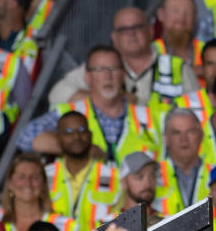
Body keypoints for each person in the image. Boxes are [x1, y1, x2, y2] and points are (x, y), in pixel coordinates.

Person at [27, 45, 161, 164]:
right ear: (87, 78)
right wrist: (76, 147)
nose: (107, 76)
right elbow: (26, 136)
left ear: (123, 74)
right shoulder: (71, 111)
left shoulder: (147, 116)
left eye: (113, 69)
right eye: (100, 69)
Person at [48, 7, 200, 107]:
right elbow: (57, 94)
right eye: (123, 30)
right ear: (114, 38)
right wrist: (104, 98)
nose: (131, 34)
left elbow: (199, 111)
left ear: (150, 32)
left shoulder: (178, 68)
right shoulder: (103, 66)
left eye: (137, 27)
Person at [45, 111, 120, 231]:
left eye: (81, 130)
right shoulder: (43, 176)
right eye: (68, 132)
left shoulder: (114, 176)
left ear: (90, 135)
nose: (76, 136)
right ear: (58, 138)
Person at [155, 108, 214, 215]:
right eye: (176, 133)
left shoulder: (215, 173)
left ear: (201, 136)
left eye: (190, 131)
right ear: (166, 139)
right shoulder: (153, 175)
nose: (184, 139)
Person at [153, 0, 202, 71]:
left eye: (188, 12)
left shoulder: (206, 51)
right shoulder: (150, 51)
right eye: (175, 11)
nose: (181, 18)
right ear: (161, 14)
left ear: (195, 18)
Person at [114, 151, 163, 224]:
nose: (148, 183)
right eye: (139, 177)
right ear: (124, 182)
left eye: (152, 176)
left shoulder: (167, 221)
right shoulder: (106, 224)